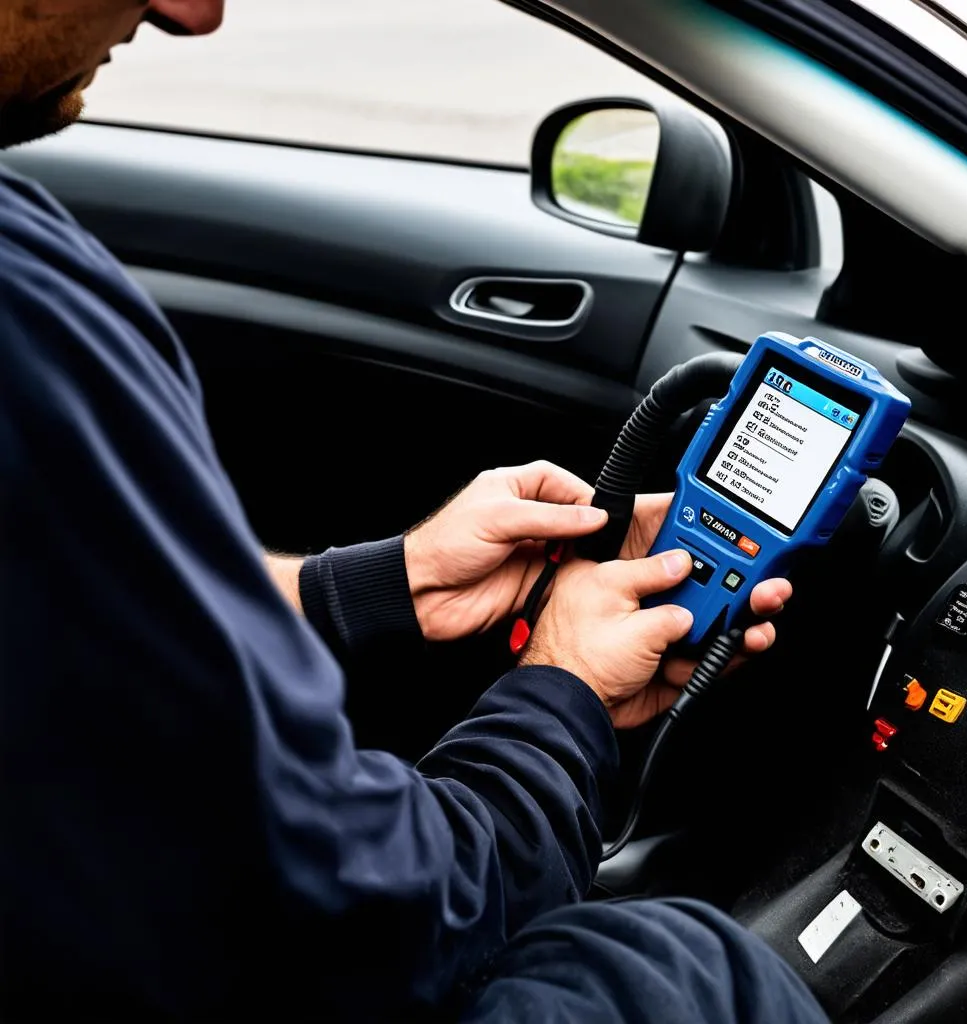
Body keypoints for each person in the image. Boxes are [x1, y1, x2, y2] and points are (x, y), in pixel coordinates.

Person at [0, 3, 829, 1022]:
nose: (194, 11)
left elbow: (71, 613)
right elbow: (356, 922)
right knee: (687, 966)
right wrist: (560, 702)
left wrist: (373, 586)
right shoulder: (22, 321)